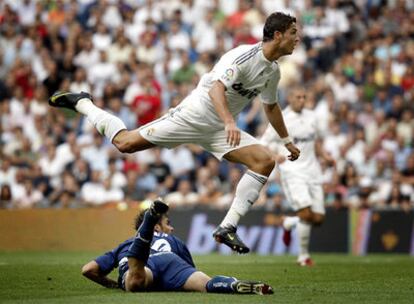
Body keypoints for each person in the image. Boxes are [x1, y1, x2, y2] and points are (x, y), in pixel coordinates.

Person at [49, 12, 300, 254]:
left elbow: (271, 107)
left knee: (264, 161)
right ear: (277, 35)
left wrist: (287, 141)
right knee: (125, 143)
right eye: (293, 32)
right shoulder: (244, 56)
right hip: (194, 115)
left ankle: (227, 227)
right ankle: (83, 103)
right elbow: (216, 89)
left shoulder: (272, 71)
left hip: (218, 128)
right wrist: (229, 122)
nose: (297, 38)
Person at [81, 200, 273, 295]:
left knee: (135, 280)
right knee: (206, 284)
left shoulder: (125, 244)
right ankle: (232, 284)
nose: (171, 228)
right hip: (171, 262)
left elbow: (88, 270)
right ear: (158, 227)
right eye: (168, 223)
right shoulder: (176, 242)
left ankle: (147, 221)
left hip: (143, 265)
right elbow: (191, 271)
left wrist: (113, 284)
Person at [261, 87, 335, 266]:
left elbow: (314, 141)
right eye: (298, 97)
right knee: (305, 213)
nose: (302, 100)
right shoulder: (282, 118)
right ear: (290, 99)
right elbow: (264, 143)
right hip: (293, 171)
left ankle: (288, 222)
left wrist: (324, 156)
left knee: (318, 218)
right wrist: (275, 155)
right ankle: (303, 257)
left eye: (304, 97)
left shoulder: (312, 116)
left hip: (313, 171)